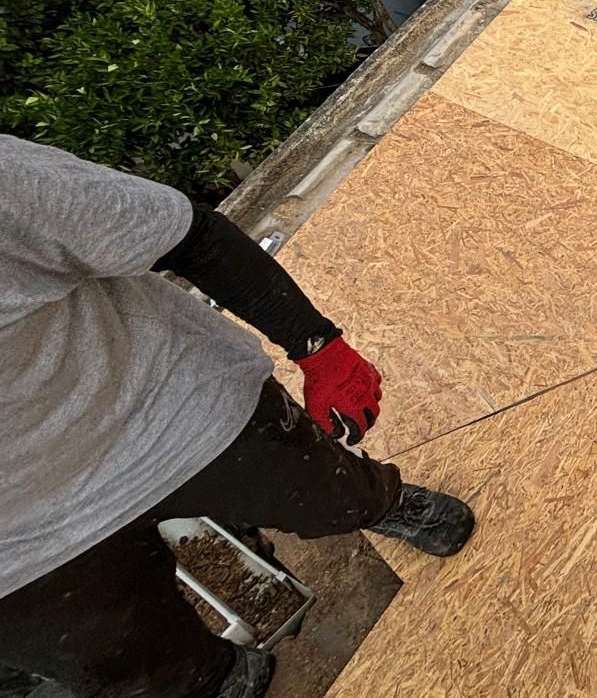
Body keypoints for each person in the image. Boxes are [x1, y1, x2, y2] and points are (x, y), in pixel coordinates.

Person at [0, 135, 476, 698]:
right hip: (18, 548)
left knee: (329, 492)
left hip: (166, 409)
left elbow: (188, 236)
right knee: (147, 673)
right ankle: (226, 680)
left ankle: (383, 502)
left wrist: (319, 347)